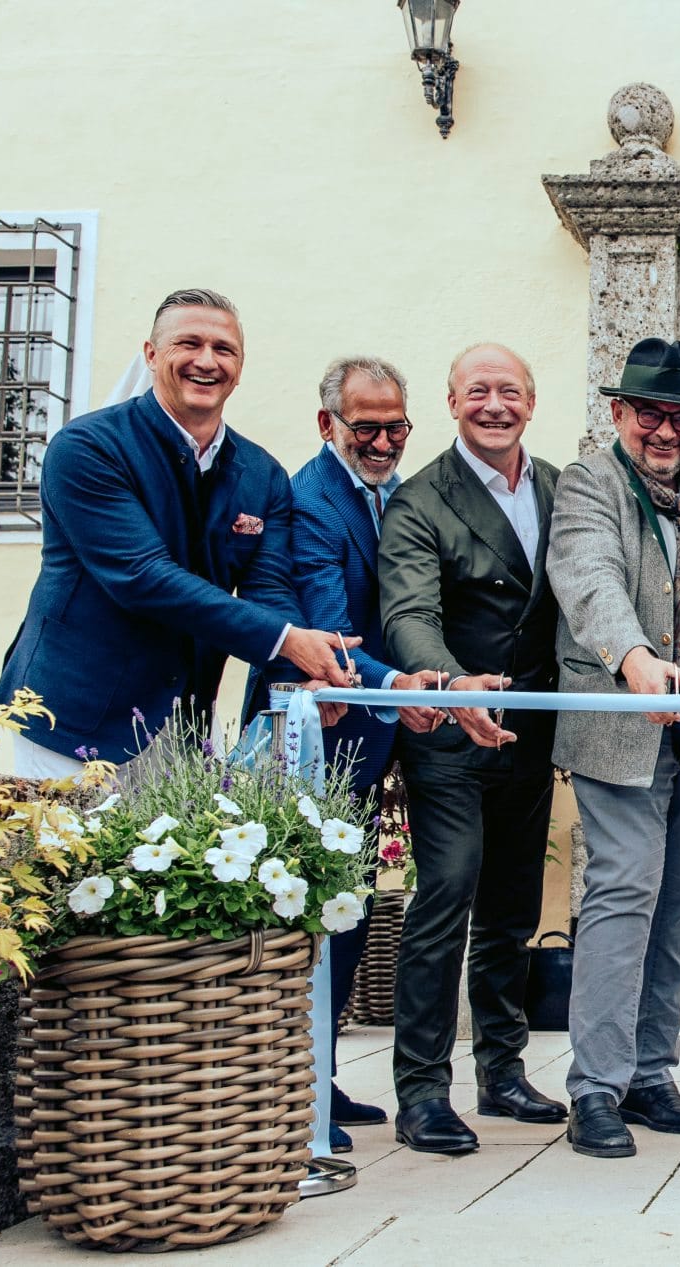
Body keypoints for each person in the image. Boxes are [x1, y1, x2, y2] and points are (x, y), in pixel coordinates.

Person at [0, 288, 355, 772]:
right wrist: (289, 640)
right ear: (151, 354)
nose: (207, 361)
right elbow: (142, 576)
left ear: (240, 367)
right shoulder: (86, 447)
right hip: (71, 721)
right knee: (58, 851)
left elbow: (268, 586)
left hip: (181, 728)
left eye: (224, 350)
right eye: (189, 343)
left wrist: (302, 680)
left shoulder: (262, 473)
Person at [549, 339, 680, 1158]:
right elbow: (589, 576)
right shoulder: (589, 483)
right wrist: (635, 658)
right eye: (649, 415)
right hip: (622, 720)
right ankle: (596, 1085)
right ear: (618, 414)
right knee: (625, 886)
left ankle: (650, 1070)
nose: (665, 431)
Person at [258, 354, 449, 1152]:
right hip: (319, 736)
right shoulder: (310, 500)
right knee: (309, 913)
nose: (382, 441)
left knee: (350, 909)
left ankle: (320, 1075)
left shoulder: (394, 495)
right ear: (327, 422)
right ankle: (292, 1088)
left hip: (371, 734)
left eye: (395, 426)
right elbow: (331, 630)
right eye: (365, 426)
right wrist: (399, 679)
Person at [378, 342, 564, 1155]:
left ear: (531, 401)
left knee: (513, 908)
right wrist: (454, 688)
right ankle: (421, 1090)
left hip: (529, 732)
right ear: (452, 401)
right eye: (479, 390)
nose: (496, 404)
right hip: (452, 730)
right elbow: (408, 613)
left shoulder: (560, 485)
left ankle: (502, 1070)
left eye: (510, 391)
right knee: (446, 893)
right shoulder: (419, 500)